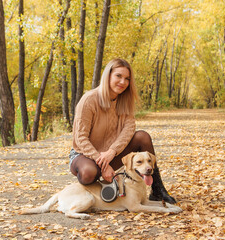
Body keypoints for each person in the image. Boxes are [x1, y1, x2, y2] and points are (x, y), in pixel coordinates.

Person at [69, 58, 176, 204]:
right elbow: (80, 138)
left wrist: (112, 151)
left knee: (142, 136)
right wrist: (104, 165)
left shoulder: (125, 100)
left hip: (112, 153)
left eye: (127, 79)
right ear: (108, 75)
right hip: (86, 154)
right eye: (118, 76)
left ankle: (158, 189)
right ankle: (98, 192)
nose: (123, 82)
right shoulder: (89, 100)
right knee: (88, 173)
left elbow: (129, 129)